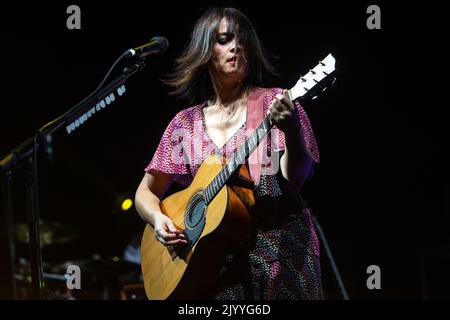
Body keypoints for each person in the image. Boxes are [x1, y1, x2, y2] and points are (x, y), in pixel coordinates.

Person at [135, 7, 322, 300]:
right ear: (205, 51)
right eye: (224, 40)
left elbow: (296, 177)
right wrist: (159, 220)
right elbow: (145, 193)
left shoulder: (275, 103)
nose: (236, 46)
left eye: (243, 40)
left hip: (283, 257)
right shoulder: (184, 124)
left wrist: (293, 131)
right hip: (217, 269)